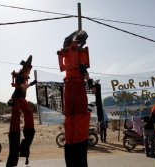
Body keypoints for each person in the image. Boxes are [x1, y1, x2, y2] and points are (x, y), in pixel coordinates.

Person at [57, 30, 95, 167]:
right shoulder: (79, 52)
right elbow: (83, 69)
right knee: (82, 117)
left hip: (67, 88)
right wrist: (91, 84)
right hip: (78, 86)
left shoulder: (66, 51)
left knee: (69, 119)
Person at [6, 55, 37, 167]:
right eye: (28, 71)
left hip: (22, 100)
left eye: (29, 71)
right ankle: (14, 154)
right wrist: (32, 84)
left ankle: (24, 147)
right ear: (25, 70)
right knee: (16, 118)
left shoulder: (22, 77)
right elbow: (23, 87)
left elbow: (24, 87)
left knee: (28, 113)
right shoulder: (20, 78)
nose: (29, 72)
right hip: (17, 100)